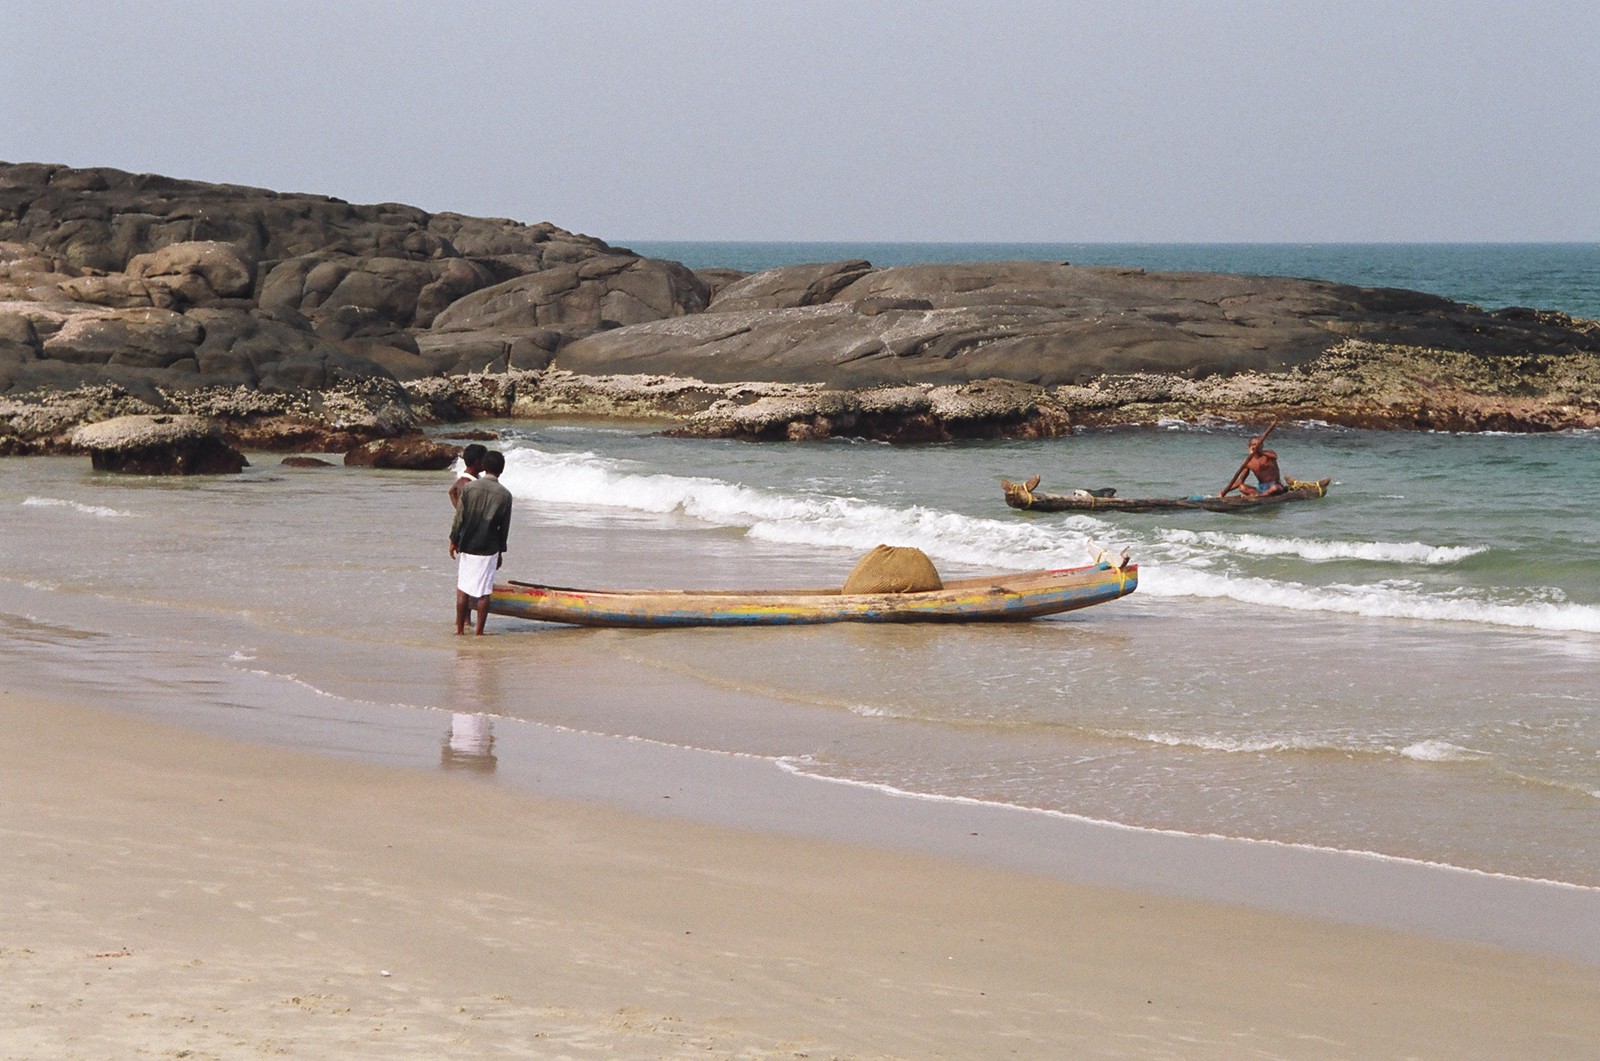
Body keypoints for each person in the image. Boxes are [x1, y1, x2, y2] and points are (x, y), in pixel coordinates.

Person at [449, 449, 513, 635]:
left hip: (468, 544)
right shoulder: (505, 495)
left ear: (483, 466)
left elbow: (459, 518)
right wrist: (500, 551)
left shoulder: (469, 488)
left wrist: (454, 540)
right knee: (484, 593)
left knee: (463, 590)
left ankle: (460, 631)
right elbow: (504, 527)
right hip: (489, 547)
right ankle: (479, 632)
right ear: (501, 470)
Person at [448, 443, 487, 508]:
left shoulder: (470, 478)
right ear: (477, 461)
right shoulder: (468, 483)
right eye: (484, 459)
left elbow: (451, 492)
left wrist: (459, 510)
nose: (486, 462)